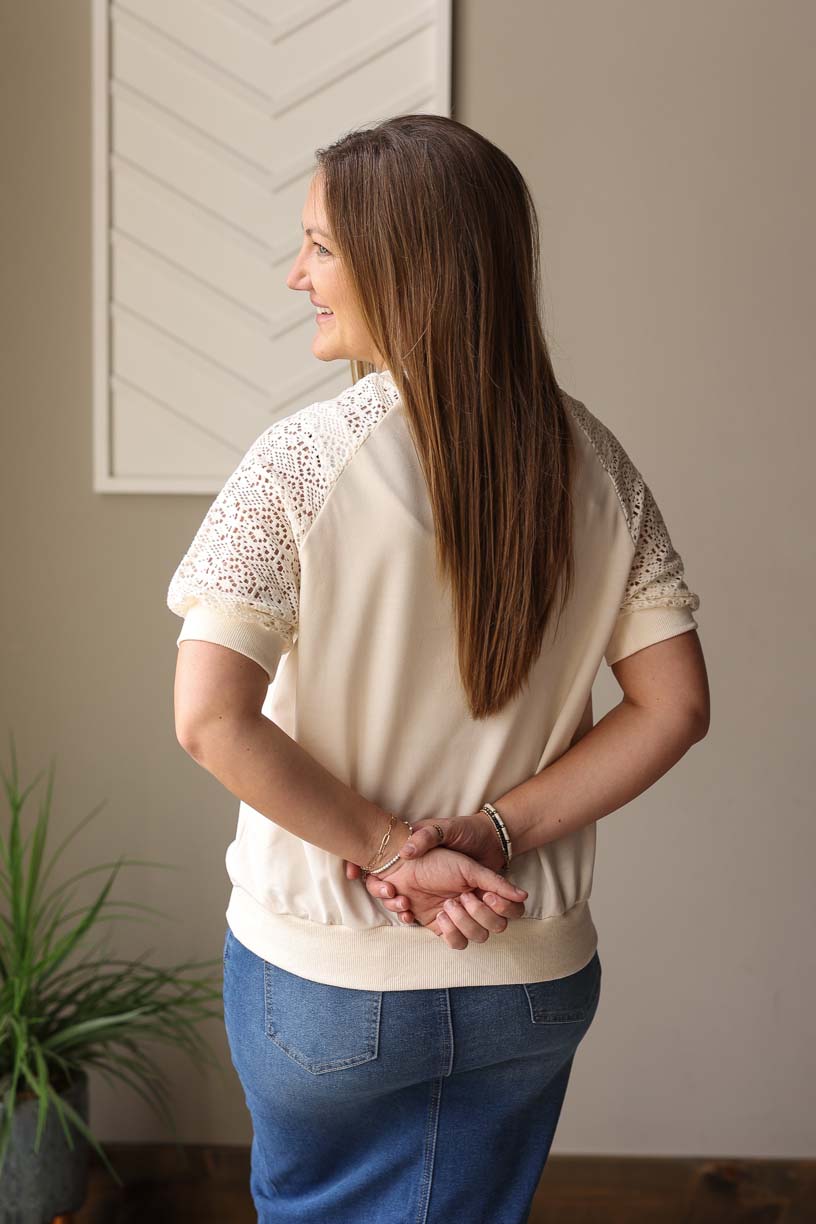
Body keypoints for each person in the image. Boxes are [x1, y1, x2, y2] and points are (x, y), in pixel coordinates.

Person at [167, 113, 709, 1224]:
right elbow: (675, 705)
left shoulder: (300, 461)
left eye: (320, 245)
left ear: (400, 262)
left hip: (326, 979)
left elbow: (210, 720)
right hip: (531, 977)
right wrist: (494, 834)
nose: (295, 275)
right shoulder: (595, 460)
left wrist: (385, 852)